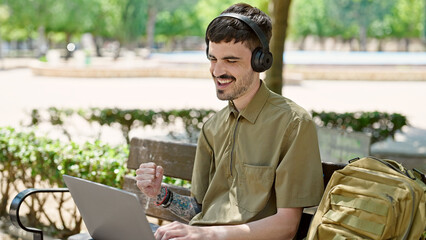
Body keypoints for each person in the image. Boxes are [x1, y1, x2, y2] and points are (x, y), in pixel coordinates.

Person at [136, 3, 324, 240]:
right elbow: (201, 209)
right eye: (213, 59)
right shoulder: (212, 127)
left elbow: (286, 226)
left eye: (231, 61)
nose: (217, 71)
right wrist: (161, 194)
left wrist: (205, 235)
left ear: (260, 61)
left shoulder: (293, 124)